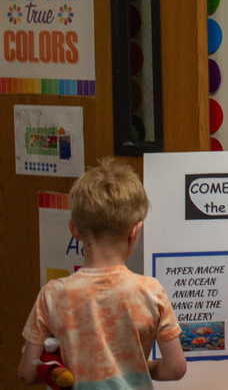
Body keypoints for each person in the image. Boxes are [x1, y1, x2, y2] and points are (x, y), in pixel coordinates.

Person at [18, 160, 186, 387]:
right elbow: (175, 368)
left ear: (74, 230)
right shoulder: (150, 291)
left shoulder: (53, 294)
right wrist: (137, 366)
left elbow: (28, 372)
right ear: (136, 231)